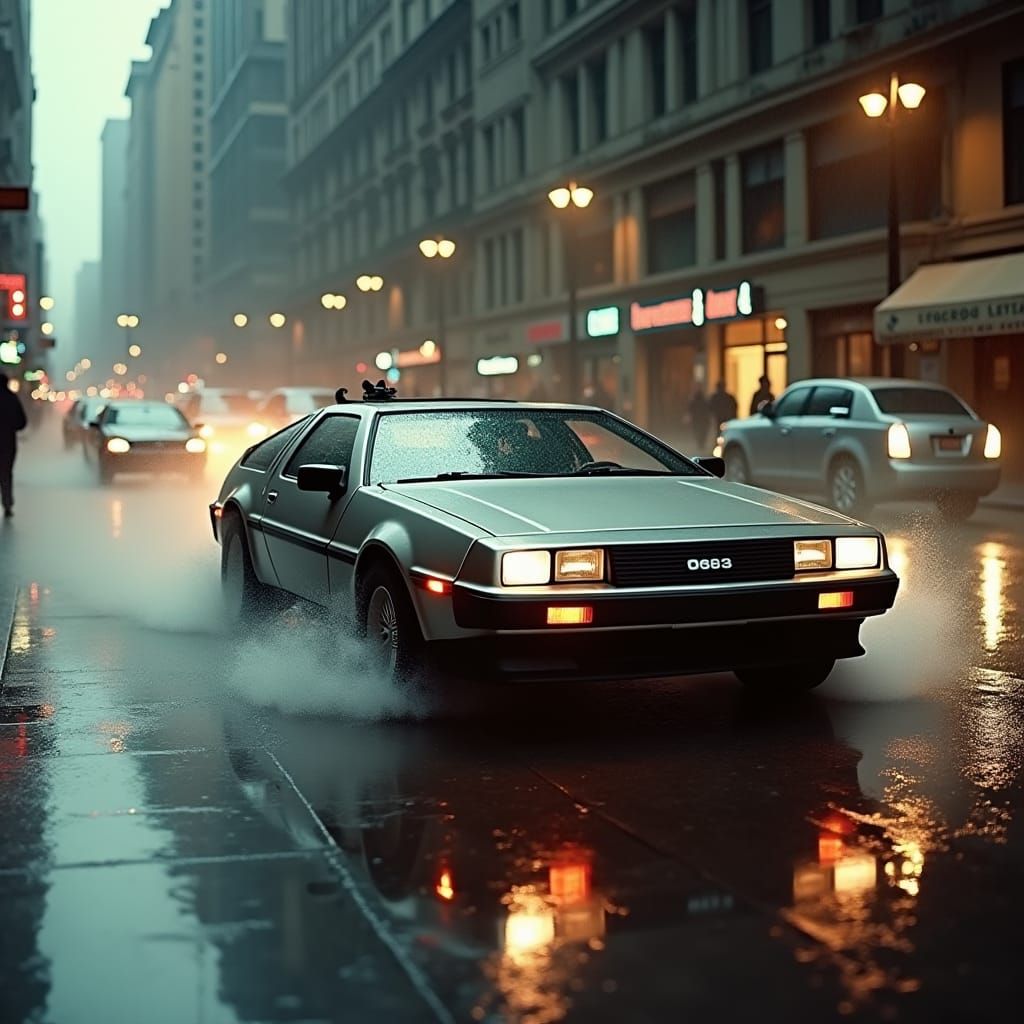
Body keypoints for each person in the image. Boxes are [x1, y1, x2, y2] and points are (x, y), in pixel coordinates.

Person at [0, 371, 28, 518]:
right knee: (6, 474)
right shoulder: (12, 399)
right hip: (7, 442)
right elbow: (22, 422)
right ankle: (7, 504)